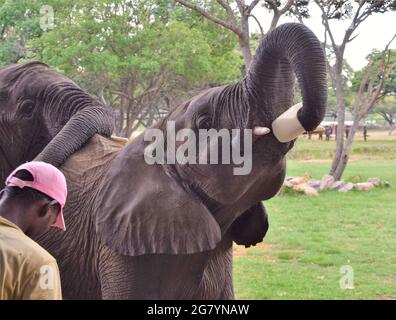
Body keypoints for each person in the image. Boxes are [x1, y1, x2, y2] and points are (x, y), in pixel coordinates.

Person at [0, 161, 67, 300]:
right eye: (52, 220)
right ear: (46, 210)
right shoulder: (39, 264)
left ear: (2, 195)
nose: (48, 228)